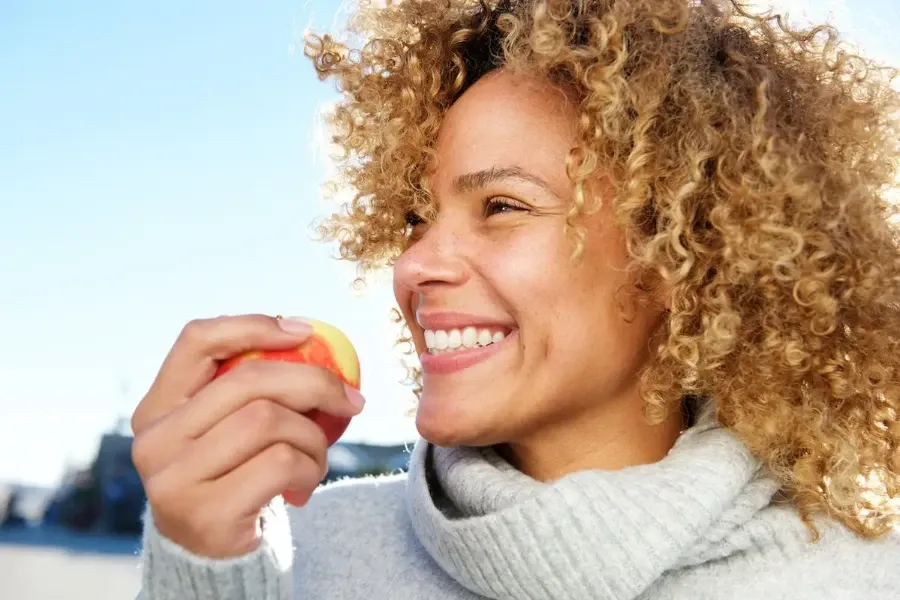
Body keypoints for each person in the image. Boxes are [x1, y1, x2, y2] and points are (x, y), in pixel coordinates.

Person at [131, 1, 900, 598]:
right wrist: (202, 570)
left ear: (684, 249)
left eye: (501, 206)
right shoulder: (301, 553)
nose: (415, 267)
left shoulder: (867, 580)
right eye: (414, 219)